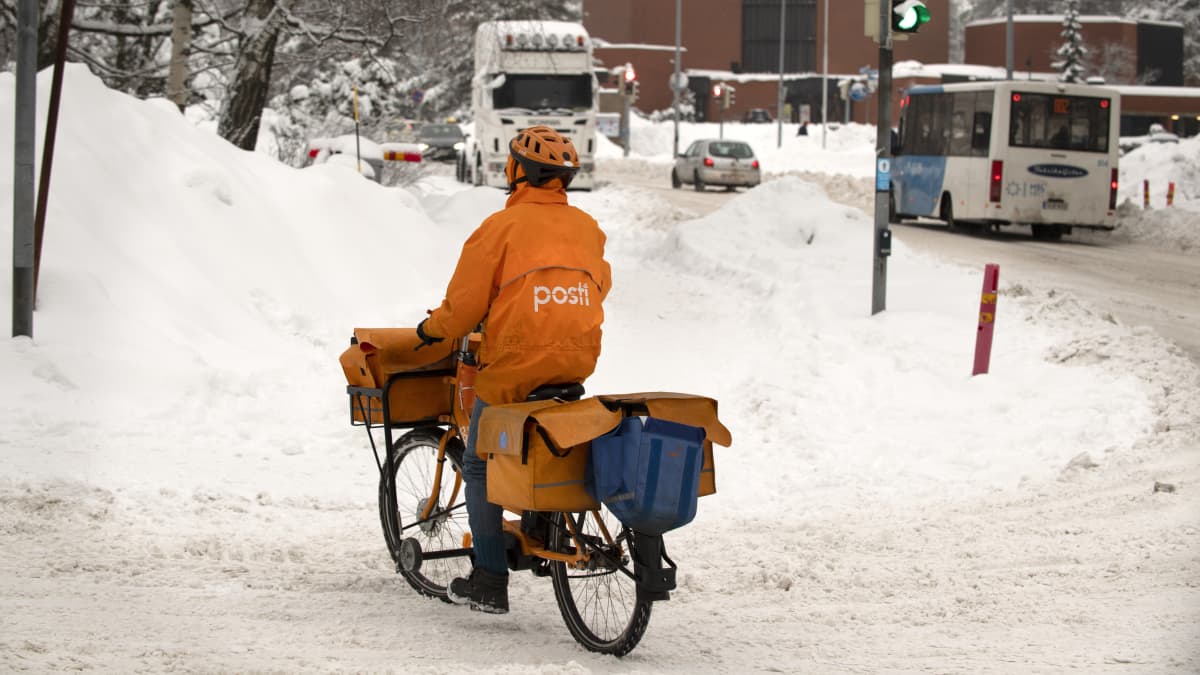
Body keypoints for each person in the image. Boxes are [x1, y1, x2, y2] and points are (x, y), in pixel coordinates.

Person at [414, 125, 612, 614]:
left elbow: (462, 310)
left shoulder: (499, 229)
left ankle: (488, 579)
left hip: (514, 366)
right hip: (577, 357)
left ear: (519, 171)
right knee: (550, 443)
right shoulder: (588, 228)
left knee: (480, 463)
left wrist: (431, 330)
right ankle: (541, 521)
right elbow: (598, 286)